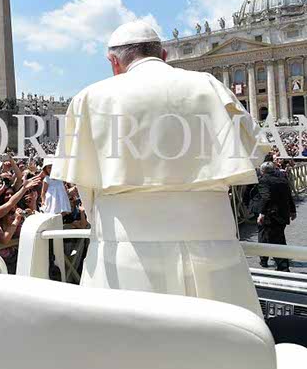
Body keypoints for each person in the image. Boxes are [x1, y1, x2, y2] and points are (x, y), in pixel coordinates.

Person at [51, 20, 268, 317]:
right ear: (163, 55)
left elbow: (84, 185)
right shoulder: (208, 86)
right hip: (212, 244)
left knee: (123, 338)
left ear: (113, 61)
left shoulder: (88, 98)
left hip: (122, 251)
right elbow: (253, 151)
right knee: (219, 336)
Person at [255, 161, 297, 271]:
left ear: (262, 171)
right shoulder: (283, 180)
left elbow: (266, 197)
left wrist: (261, 213)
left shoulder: (263, 180)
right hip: (283, 214)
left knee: (275, 241)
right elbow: (289, 196)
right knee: (276, 237)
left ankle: (283, 267)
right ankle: (267, 259)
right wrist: (293, 211)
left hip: (271, 215)